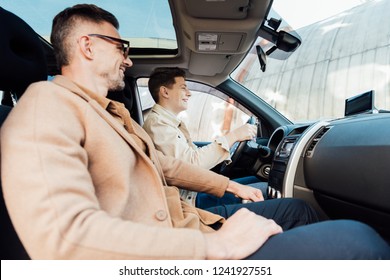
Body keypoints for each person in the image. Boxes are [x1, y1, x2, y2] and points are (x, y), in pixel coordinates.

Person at [1, 4, 389, 260]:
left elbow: (165, 165)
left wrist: (229, 187)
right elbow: (64, 239)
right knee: (358, 242)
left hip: (182, 223)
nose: (129, 57)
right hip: (166, 253)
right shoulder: (47, 105)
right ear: (87, 46)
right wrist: (213, 246)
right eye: (120, 45)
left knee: (299, 208)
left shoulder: (110, 112)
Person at [143, 67, 267, 208]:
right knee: (264, 189)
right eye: (183, 88)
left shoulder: (169, 122)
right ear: (165, 92)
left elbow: (194, 156)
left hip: (193, 192)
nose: (189, 93)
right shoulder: (158, 125)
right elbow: (191, 165)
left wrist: (231, 141)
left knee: (257, 181)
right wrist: (233, 136)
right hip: (188, 203)